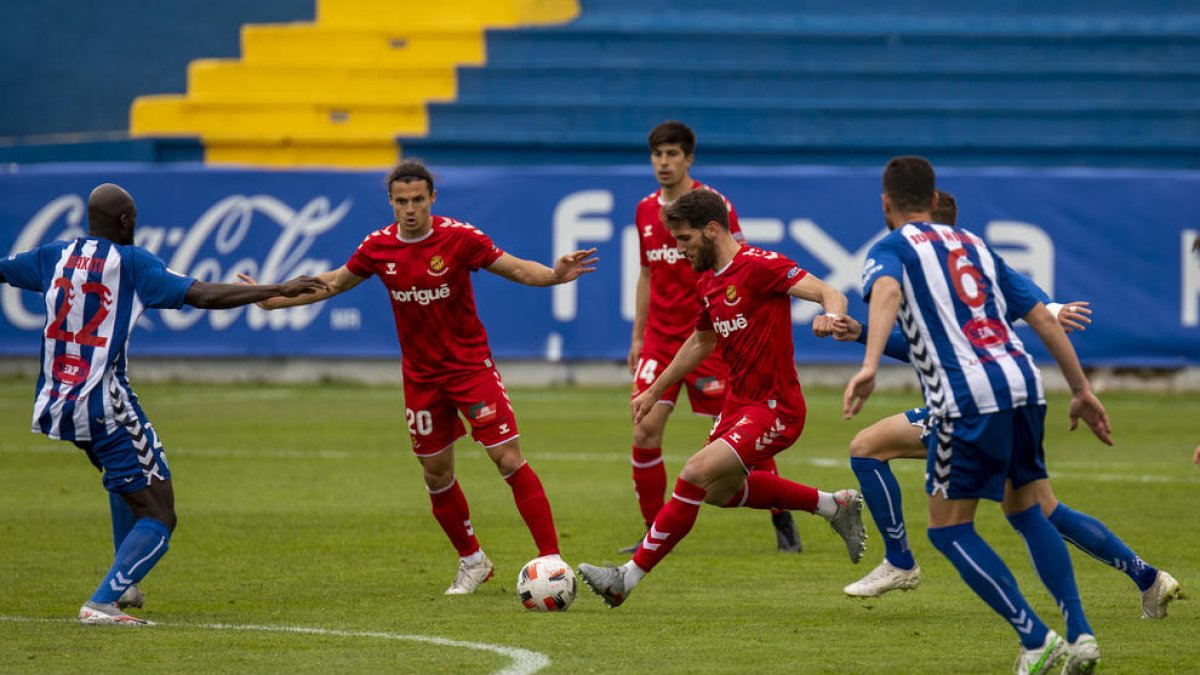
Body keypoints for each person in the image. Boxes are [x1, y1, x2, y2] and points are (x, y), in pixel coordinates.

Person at [244, 160, 597, 595]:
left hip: (471, 369)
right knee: (435, 473)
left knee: (507, 459)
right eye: (401, 201)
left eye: (417, 200)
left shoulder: (459, 238)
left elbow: (518, 269)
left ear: (433, 198)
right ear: (391, 203)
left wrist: (554, 275)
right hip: (421, 378)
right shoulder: (378, 247)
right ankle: (472, 561)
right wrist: (272, 299)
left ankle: (550, 560)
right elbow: (333, 282)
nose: (410, 209)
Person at [833, 190, 1181, 621]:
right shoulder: (973, 258)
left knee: (888, 465)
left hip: (968, 404)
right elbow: (1023, 301)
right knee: (1043, 510)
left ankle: (908, 566)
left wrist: (866, 346)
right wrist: (862, 333)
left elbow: (937, 338)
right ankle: (1146, 579)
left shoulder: (924, 263)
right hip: (1015, 395)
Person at [0, 183, 328, 625]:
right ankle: (102, 603)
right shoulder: (133, 264)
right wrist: (279, 288)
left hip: (57, 401)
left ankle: (126, 580)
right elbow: (202, 295)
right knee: (160, 514)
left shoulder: (52, 256)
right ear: (125, 222)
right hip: (106, 403)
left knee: (122, 480)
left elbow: (3, 270)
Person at [845, 157, 1115, 674]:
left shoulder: (891, 248)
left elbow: (886, 292)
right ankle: (1080, 635)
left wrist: (871, 362)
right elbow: (1039, 314)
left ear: (886, 203)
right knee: (1026, 511)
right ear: (932, 200)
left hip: (965, 399)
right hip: (1023, 384)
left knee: (948, 531)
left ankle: (1037, 640)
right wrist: (1080, 388)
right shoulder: (974, 245)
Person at [577, 189, 868, 608]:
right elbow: (700, 342)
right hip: (738, 406)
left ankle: (625, 578)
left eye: (685, 240)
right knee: (720, 492)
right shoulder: (709, 282)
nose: (679, 251)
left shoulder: (760, 266)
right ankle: (832, 505)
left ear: (712, 230)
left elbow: (830, 292)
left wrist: (832, 315)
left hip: (776, 409)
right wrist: (654, 390)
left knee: (695, 472)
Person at [626, 120, 800, 554]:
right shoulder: (645, 210)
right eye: (657, 155)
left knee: (743, 433)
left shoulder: (714, 206)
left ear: (688, 159)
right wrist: (637, 336)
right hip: (662, 340)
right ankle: (654, 531)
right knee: (644, 430)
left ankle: (782, 513)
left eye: (672, 155)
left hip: (711, 337)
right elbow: (646, 273)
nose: (663, 163)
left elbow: (737, 264)